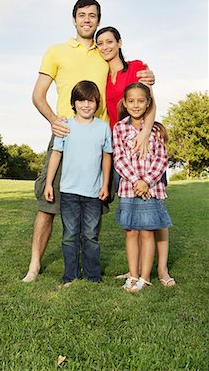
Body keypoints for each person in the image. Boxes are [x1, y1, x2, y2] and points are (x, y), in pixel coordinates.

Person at [22, 0, 154, 283]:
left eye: (92, 16)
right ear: (74, 20)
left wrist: (148, 74)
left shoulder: (103, 54)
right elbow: (38, 95)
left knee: (100, 204)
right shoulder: (56, 51)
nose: (87, 20)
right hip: (65, 137)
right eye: (82, 15)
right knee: (48, 205)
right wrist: (55, 122)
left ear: (98, 20)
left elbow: (129, 77)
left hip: (101, 140)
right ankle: (34, 266)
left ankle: (128, 269)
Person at [96, 26, 175, 286]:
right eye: (101, 43)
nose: (105, 47)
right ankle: (135, 271)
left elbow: (150, 98)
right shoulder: (101, 75)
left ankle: (160, 271)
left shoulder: (137, 67)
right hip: (124, 150)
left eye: (110, 41)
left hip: (146, 145)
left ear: (120, 43)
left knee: (154, 220)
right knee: (133, 224)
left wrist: (146, 133)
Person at [44, 81, 112, 285]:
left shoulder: (103, 127)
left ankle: (93, 276)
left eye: (90, 101)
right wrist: (49, 183)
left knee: (90, 235)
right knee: (69, 235)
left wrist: (105, 184)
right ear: (73, 103)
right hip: (69, 192)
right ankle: (70, 276)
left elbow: (107, 156)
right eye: (81, 100)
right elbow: (56, 154)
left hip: (93, 192)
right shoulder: (65, 126)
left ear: (97, 103)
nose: (86, 105)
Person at [113, 83, 173, 292]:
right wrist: (135, 181)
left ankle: (145, 277)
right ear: (125, 103)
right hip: (129, 188)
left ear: (148, 103)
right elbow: (119, 159)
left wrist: (146, 181)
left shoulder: (155, 129)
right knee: (131, 232)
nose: (136, 105)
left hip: (151, 189)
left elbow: (161, 160)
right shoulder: (119, 128)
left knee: (147, 232)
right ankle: (133, 275)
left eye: (141, 101)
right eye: (131, 101)